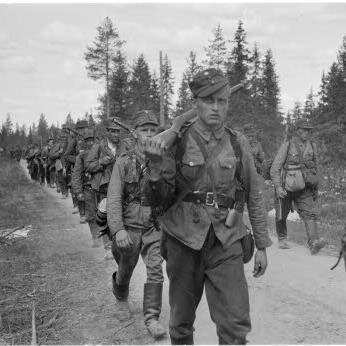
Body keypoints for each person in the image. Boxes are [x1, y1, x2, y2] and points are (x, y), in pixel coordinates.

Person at [143, 68, 272, 345]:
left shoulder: (238, 143)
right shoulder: (176, 142)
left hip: (226, 240)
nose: (215, 108)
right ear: (196, 103)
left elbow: (254, 194)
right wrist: (155, 167)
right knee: (180, 325)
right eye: (208, 100)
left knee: (236, 325)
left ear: (227, 104)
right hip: (183, 241)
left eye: (221, 101)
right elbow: (157, 200)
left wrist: (261, 245)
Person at [106, 110, 166, 339]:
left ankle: (152, 318)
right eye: (144, 130)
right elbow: (113, 198)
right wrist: (118, 229)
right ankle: (121, 296)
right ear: (134, 133)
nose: (150, 134)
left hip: (153, 226)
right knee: (126, 269)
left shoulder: (162, 159)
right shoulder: (124, 162)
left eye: (153, 130)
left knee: (155, 271)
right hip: (129, 227)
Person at [270, 119, 327, 253]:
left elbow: (316, 167)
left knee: (309, 214)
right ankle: (282, 238)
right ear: (298, 131)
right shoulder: (288, 145)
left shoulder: (313, 146)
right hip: (286, 186)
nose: (306, 132)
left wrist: (315, 186)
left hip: (304, 187)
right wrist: (278, 187)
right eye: (304, 129)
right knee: (281, 214)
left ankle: (313, 242)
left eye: (308, 130)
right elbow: (275, 167)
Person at [84, 119, 126, 257]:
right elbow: (88, 165)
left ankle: (121, 245)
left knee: (122, 215)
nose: (115, 134)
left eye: (117, 131)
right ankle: (108, 247)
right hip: (104, 186)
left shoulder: (123, 146)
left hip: (122, 185)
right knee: (105, 215)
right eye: (112, 131)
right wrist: (101, 162)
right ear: (107, 132)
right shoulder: (98, 147)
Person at [71, 129, 96, 231]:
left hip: (101, 188)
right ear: (84, 143)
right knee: (90, 214)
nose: (90, 143)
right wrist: (78, 192)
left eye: (92, 140)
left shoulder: (100, 153)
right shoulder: (81, 157)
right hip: (88, 188)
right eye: (88, 141)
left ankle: (106, 240)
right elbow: (76, 175)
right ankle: (96, 238)